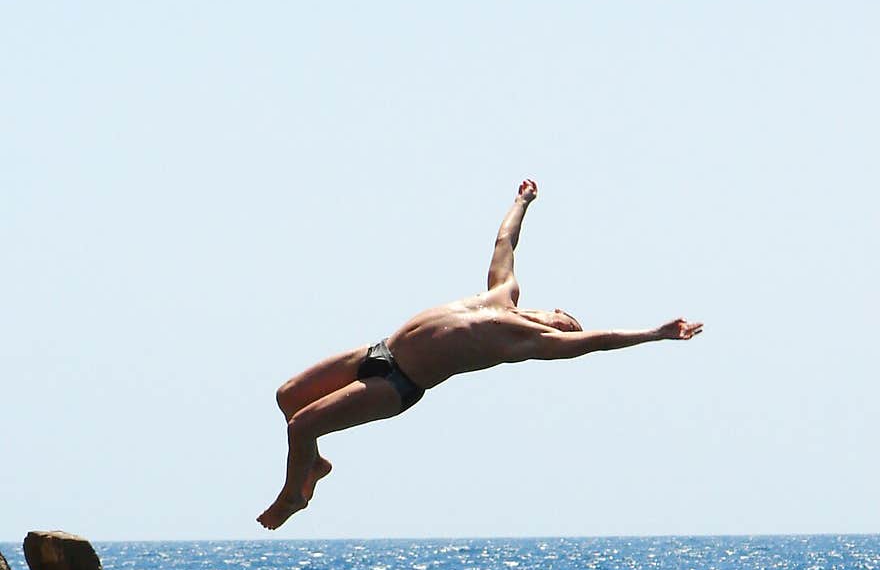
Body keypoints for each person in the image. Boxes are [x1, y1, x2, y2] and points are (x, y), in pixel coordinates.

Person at [257, 180, 702, 529]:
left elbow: (600, 340)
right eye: (566, 317)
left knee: (303, 424)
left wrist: (656, 332)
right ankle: (313, 464)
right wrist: (522, 202)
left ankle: (294, 493)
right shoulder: (502, 295)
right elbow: (504, 243)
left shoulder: (526, 341)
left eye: (568, 328)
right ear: (553, 308)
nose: (565, 323)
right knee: (288, 396)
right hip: (379, 351)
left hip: (397, 383)